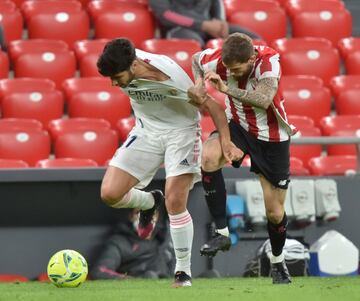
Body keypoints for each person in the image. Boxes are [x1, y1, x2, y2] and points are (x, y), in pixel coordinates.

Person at [97, 38, 242, 287]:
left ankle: (183, 271)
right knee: (110, 193)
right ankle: (151, 201)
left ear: (133, 65)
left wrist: (226, 143)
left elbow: (216, 110)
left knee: (175, 200)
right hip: (146, 131)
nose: (113, 84)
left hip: (181, 133)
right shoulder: (124, 58)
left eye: (117, 77)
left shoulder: (172, 78)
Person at [190, 33, 295, 284]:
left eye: (236, 69)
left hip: (271, 138)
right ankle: (222, 232)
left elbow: (264, 99)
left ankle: (278, 263)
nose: (231, 73)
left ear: (252, 58)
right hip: (237, 125)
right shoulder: (217, 60)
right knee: (209, 157)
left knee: (275, 211)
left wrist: (226, 89)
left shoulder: (269, 63)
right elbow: (196, 59)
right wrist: (197, 84)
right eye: (228, 70)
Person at [90, 208, 175, 280]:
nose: (146, 217)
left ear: (157, 216)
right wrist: (134, 281)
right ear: (131, 216)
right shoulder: (119, 242)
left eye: (151, 212)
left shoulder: (166, 240)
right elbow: (99, 271)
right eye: (139, 212)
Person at [148, 0, 261, 48]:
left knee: (254, 40)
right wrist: (202, 25)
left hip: (211, 27)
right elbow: (166, 15)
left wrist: (221, 22)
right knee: (195, 46)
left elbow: (217, 3)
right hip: (179, 29)